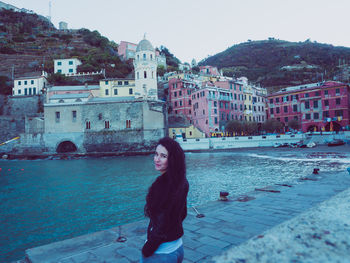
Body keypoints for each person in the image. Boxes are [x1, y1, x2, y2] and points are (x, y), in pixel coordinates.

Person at [141, 137, 189, 262]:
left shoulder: (161, 187)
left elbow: (161, 227)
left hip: (161, 253)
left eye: (163, 156)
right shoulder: (182, 182)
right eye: (156, 154)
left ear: (172, 160)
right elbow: (182, 214)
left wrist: (147, 249)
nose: (156, 159)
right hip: (177, 248)